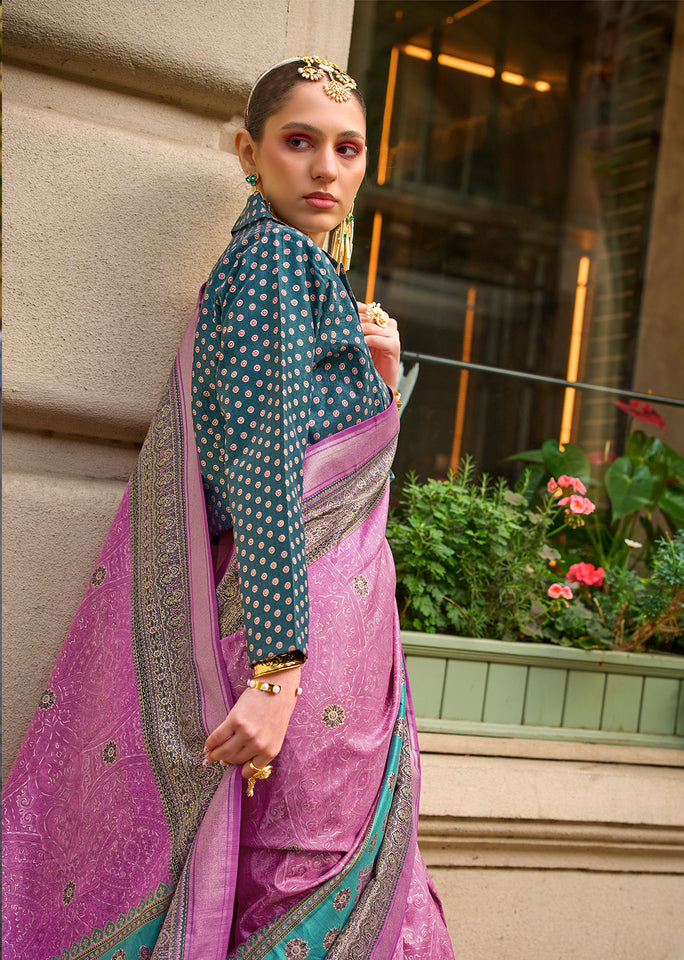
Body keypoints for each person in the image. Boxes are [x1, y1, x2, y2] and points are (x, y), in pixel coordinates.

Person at [2, 57, 455, 959]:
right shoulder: (275, 269)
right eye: (299, 142)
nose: (326, 168)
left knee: (299, 881)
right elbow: (263, 478)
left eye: (348, 147)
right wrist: (279, 676)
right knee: (302, 881)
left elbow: (331, 465)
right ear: (250, 153)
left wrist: (376, 377)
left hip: (341, 636)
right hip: (306, 645)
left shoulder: (303, 275)